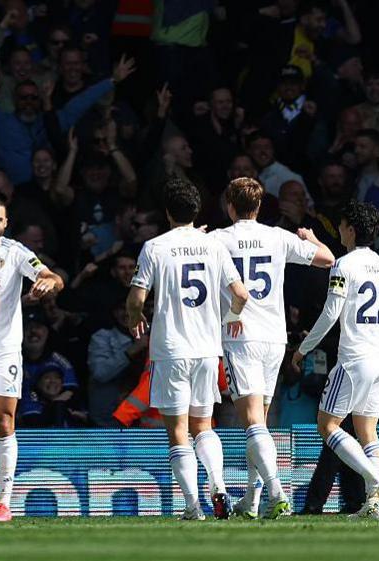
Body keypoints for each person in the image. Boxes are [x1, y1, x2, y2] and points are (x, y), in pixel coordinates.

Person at [209, 177, 335, 519]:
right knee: (259, 422)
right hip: (274, 338)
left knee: (251, 421)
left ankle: (277, 492)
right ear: (260, 206)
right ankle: (251, 500)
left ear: (229, 206)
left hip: (240, 335)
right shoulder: (277, 236)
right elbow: (327, 259)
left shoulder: (217, 240)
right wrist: (311, 238)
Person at [126, 178, 249, 521]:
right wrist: (230, 319)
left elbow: (136, 297)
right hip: (207, 349)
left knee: (178, 431)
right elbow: (240, 294)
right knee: (204, 426)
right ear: (197, 211)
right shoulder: (214, 246)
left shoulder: (154, 247)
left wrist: (133, 319)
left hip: (171, 350)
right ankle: (219, 484)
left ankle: (194, 506)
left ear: (167, 212)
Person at [292, 202, 379, 519]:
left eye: (343, 225)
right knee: (367, 431)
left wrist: (304, 347)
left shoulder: (344, 265)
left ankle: (375, 480)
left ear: (349, 229)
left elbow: (331, 313)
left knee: (327, 425)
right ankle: (373, 504)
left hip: (354, 361)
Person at [0, 195, 64, 520]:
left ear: (6, 223)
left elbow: (54, 278)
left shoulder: (15, 252)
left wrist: (46, 284)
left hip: (6, 348)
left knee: (4, 421)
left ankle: (4, 500)